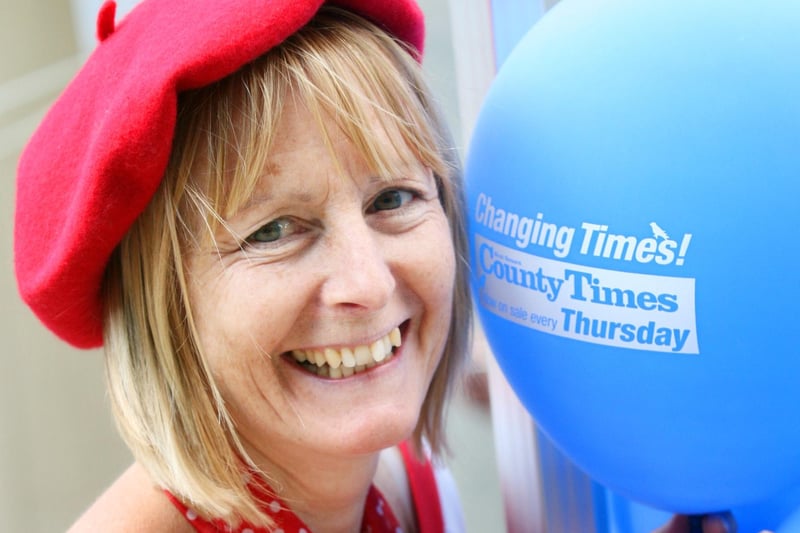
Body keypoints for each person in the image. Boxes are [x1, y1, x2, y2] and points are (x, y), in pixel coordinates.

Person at [13, 1, 741, 532]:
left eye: (393, 196)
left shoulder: (409, 486)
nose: (366, 282)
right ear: (162, 305)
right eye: (274, 230)